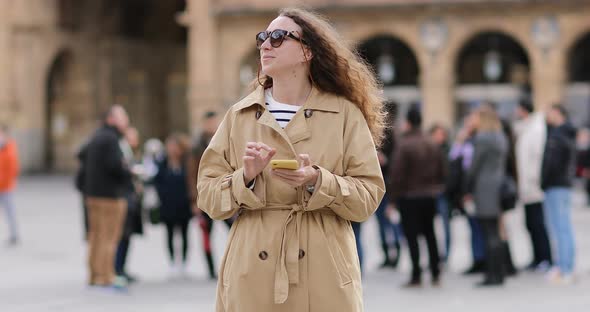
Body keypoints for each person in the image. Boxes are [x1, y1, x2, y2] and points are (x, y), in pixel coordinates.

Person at [197, 7, 385, 311]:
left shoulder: (344, 114)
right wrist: (244, 177)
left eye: (278, 37)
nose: (265, 45)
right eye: (263, 37)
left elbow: (369, 196)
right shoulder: (239, 115)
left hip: (323, 266)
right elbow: (207, 196)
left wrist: (317, 181)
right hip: (252, 268)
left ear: (307, 51)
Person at [389, 107, 445, 287]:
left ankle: (416, 274)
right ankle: (435, 272)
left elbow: (397, 175)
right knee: (431, 234)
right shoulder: (431, 142)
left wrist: (393, 199)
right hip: (430, 195)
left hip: (409, 196)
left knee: (412, 236)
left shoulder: (405, 144)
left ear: (408, 122)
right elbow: (442, 170)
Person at [83, 105, 131, 290]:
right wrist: (129, 171)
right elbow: (115, 166)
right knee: (109, 237)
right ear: (111, 119)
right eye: (122, 117)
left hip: (93, 194)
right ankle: (105, 275)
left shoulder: (96, 136)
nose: (125, 120)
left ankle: (94, 274)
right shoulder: (111, 139)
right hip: (110, 195)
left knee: (96, 236)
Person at [465, 105, 508, 287]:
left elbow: (474, 166)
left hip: (484, 188)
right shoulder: (500, 136)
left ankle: (492, 274)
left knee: (488, 232)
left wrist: (466, 186)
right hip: (497, 186)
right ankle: (500, 272)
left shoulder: (482, 139)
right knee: (495, 232)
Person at [188, 111, 234, 279]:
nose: (213, 126)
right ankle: (210, 269)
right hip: (205, 194)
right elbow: (192, 174)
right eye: (210, 123)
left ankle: (232, 266)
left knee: (235, 231)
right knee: (206, 233)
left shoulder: (227, 138)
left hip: (226, 193)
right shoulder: (197, 145)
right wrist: (194, 200)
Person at [513, 99, 552, 271]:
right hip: (527, 186)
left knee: (537, 224)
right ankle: (537, 257)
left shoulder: (535, 129)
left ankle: (544, 258)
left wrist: (534, 180)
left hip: (534, 186)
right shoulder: (526, 128)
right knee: (530, 223)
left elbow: (537, 157)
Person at [541, 104, 577, 284]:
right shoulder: (567, 133)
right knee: (564, 227)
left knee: (560, 227)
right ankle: (566, 266)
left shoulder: (557, 135)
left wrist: (543, 181)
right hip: (563, 184)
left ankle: (565, 269)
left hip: (556, 185)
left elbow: (551, 164)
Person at [154, 133, 193, 277]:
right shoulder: (162, 162)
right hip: (167, 205)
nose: (171, 149)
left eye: (174, 146)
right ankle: (172, 262)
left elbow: (190, 182)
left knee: (184, 234)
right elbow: (157, 181)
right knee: (169, 234)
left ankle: (183, 262)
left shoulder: (186, 163)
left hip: (183, 204)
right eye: (169, 146)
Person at [114, 127, 144, 283]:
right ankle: (117, 269)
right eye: (133, 136)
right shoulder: (122, 150)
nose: (136, 139)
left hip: (131, 199)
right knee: (122, 236)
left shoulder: (131, 151)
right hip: (125, 199)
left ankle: (121, 268)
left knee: (127, 236)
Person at [429, 123, 452, 264]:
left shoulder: (448, 151)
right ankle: (434, 254)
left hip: (443, 192)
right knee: (430, 226)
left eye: (442, 134)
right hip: (430, 192)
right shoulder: (427, 150)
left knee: (445, 225)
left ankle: (446, 255)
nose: (439, 137)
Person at [0, 124, 20, 246]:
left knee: (10, 211)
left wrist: (4, 180)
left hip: (6, 186)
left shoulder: (9, 148)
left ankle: (14, 234)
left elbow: (13, 169)